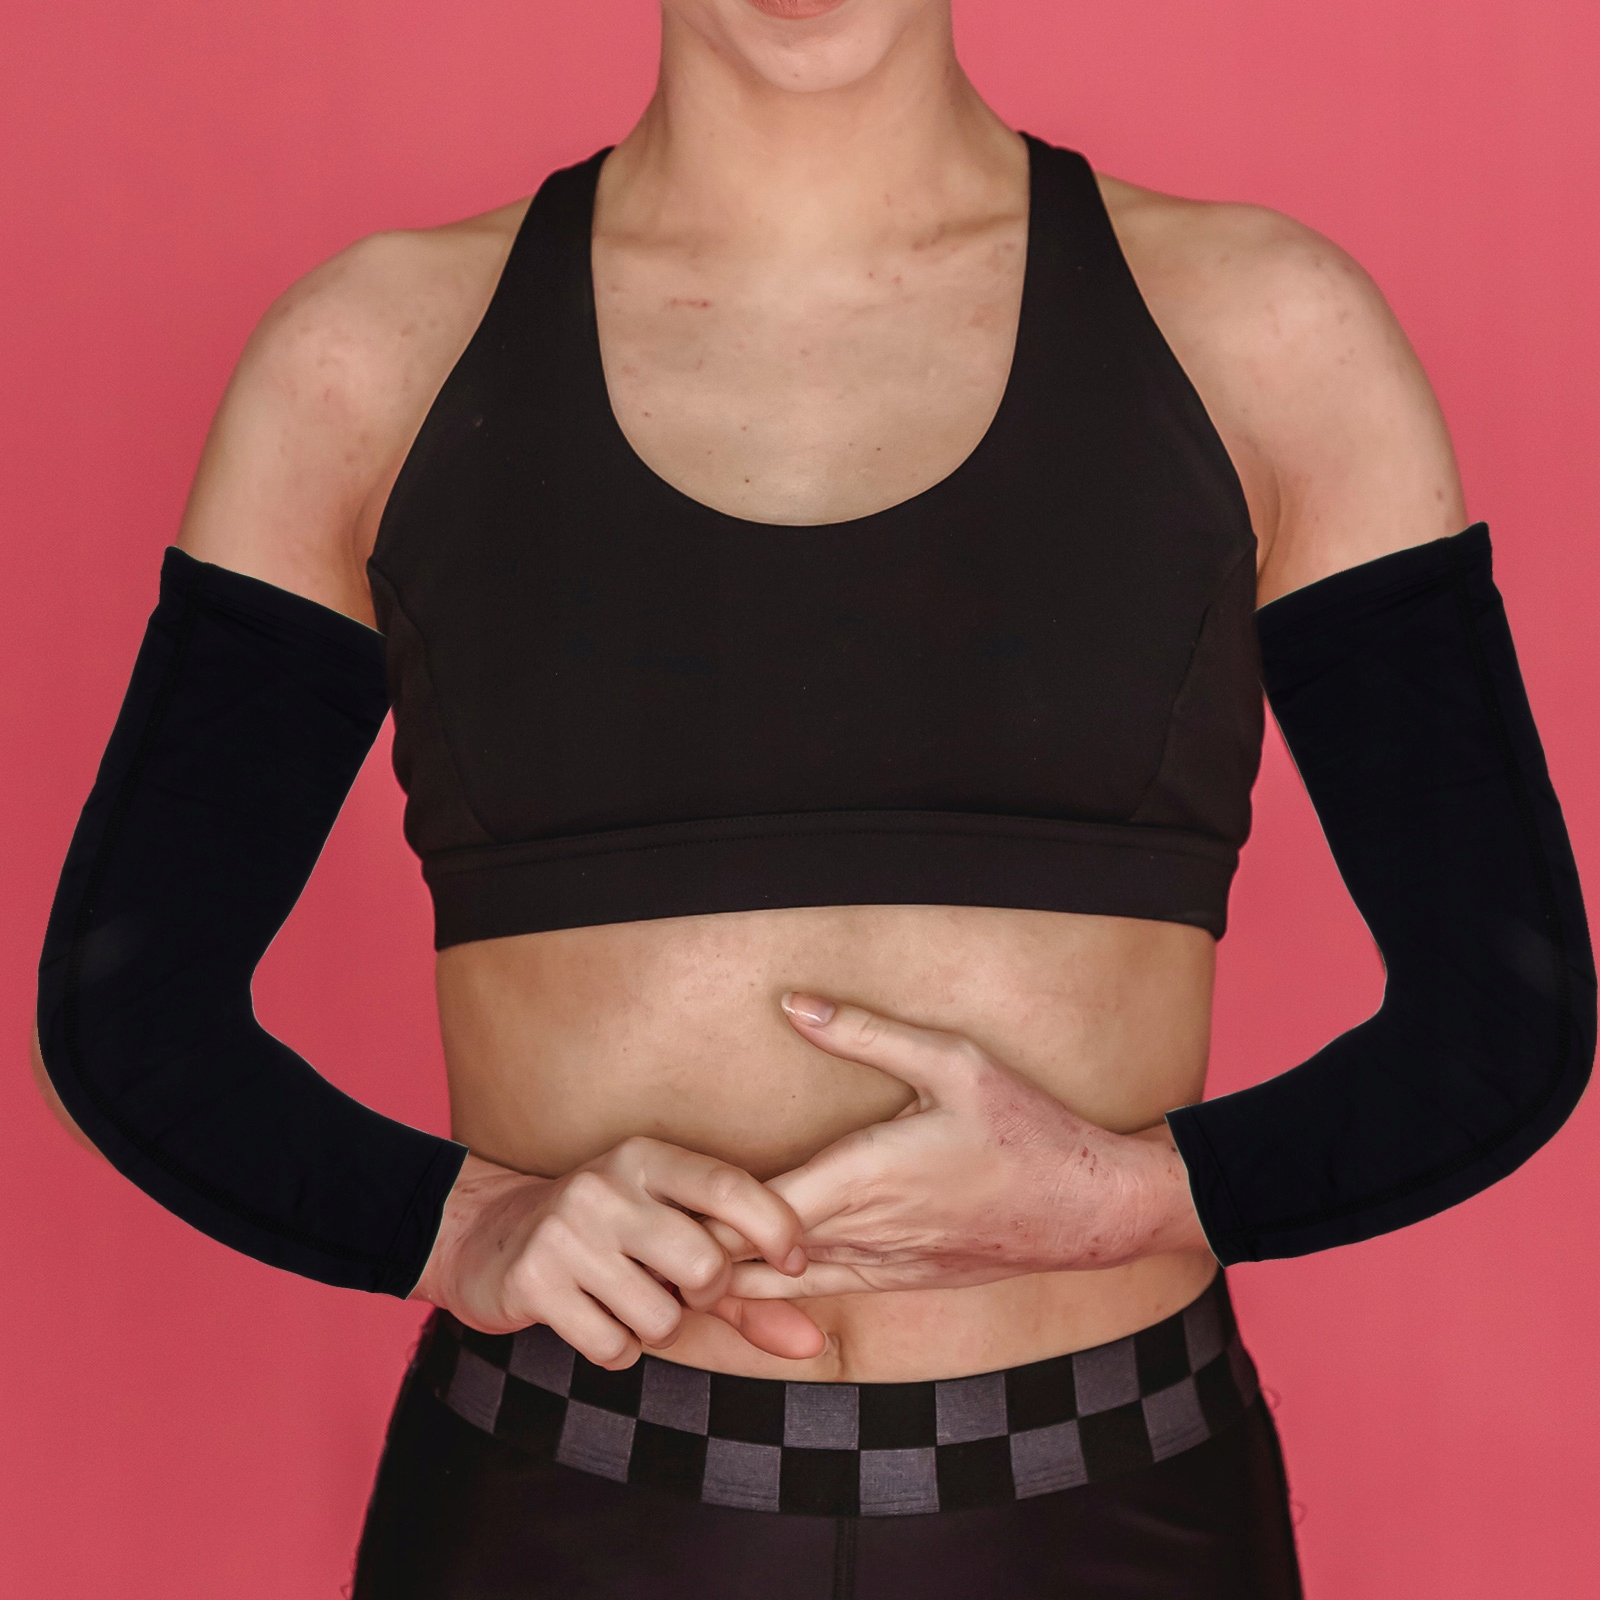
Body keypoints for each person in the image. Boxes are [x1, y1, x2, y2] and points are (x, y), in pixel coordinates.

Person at [31, 1, 1594, 1596]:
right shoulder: (371, 350)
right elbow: (127, 1004)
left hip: (1112, 1505)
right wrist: (451, 1223)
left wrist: (1131, 1197)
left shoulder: (1267, 328)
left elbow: (1505, 1010)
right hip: (558, 1509)